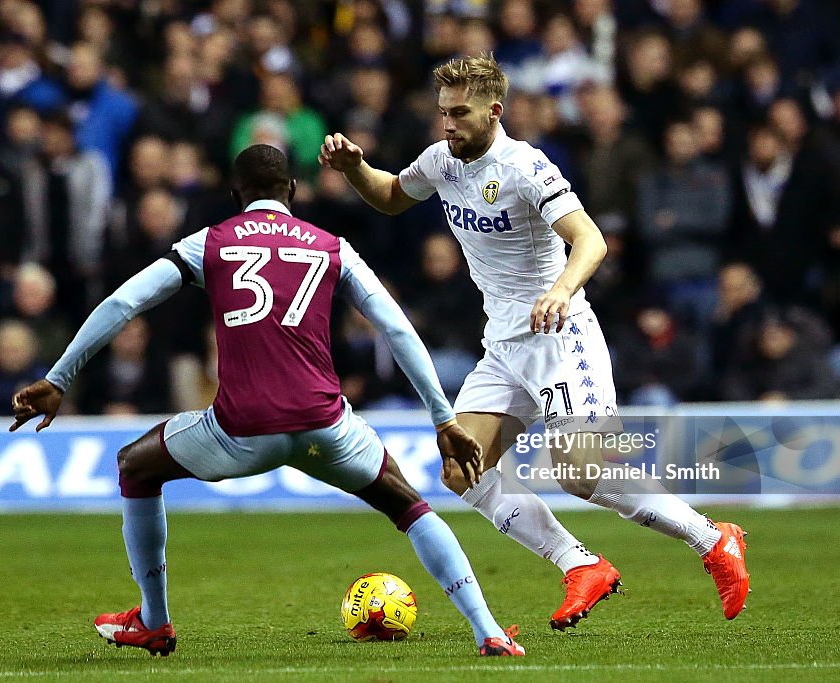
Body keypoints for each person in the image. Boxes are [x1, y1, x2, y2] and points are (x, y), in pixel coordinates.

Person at [9, 144, 524, 658]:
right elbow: (395, 327)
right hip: (327, 427)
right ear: (293, 191)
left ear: (237, 196)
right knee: (409, 507)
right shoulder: (332, 247)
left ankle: (154, 620)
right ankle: (488, 630)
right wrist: (443, 417)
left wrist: (59, 377)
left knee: (136, 467)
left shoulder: (209, 243)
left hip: (239, 432)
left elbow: (125, 301)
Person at [319, 54, 750, 629]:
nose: (448, 125)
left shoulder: (525, 166)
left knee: (581, 473)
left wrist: (561, 290)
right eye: (442, 113)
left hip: (559, 336)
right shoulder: (441, 162)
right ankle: (580, 563)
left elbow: (590, 239)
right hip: (503, 346)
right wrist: (355, 169)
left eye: (460, 113)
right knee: (459, 468)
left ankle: (712, 538)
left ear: (494, 110)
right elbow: (394, 194)